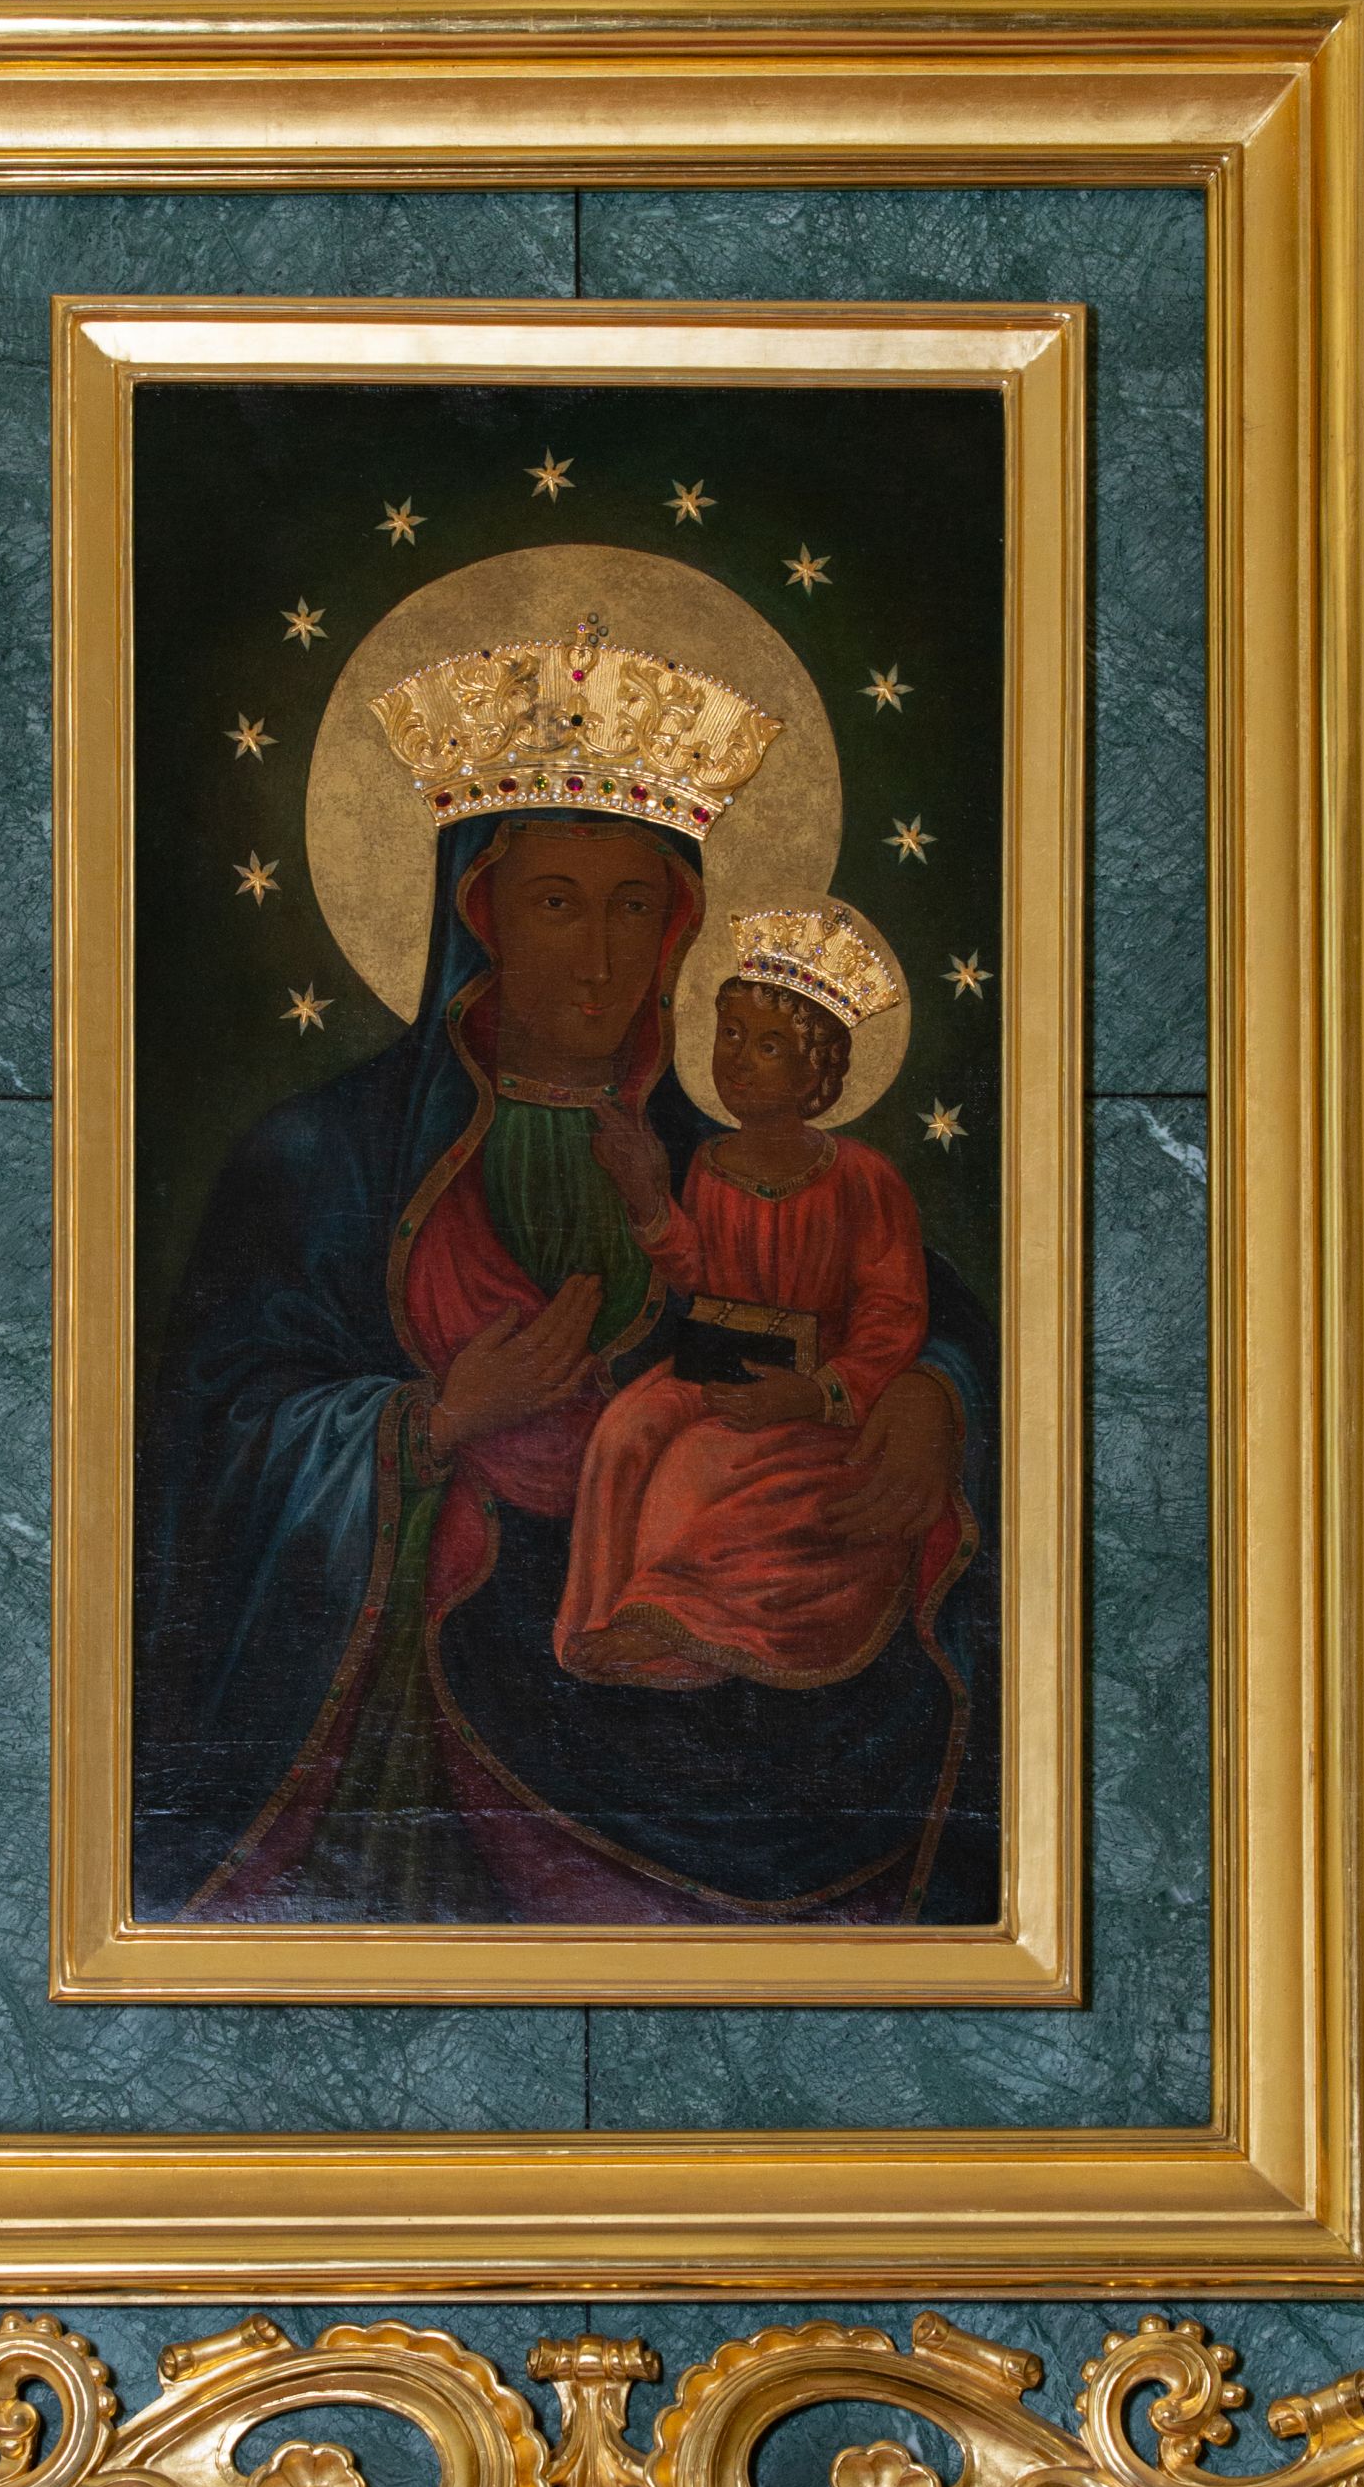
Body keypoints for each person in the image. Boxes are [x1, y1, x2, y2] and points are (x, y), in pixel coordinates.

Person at [132, 619, 997, 1929]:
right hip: (429, 1720)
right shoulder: (323, 1160)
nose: (600, 957)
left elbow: (919, 1312)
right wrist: (427, 1423)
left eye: (634, 907)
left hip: (743, 1670)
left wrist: (933, 1396)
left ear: (681, 929)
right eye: (555, 903)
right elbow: (213, 1450)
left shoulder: (734, 1158)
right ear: (478, 916)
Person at [560, 913, 959, 1697]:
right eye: (731, 1035)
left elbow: (892, 1312)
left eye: (769, 1046)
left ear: (818, 1075)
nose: (739, 1060)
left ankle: (668, 1621)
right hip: (717, 1363)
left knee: (706, 1460)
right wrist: (651, 1198)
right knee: (625, 1431)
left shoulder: (862, 1177)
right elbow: (700, 1273)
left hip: (820, 1389)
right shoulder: (710, 1164)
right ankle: (604, 1614)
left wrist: (816, 1393)